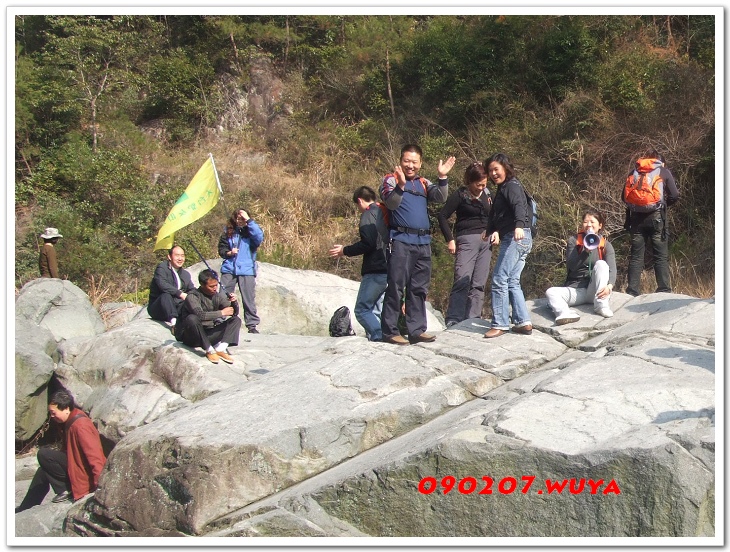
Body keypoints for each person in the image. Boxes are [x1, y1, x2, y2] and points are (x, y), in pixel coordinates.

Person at [379, 144, 455, 345]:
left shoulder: (423, 182)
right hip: (400, 241)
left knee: (418, 288)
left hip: (423, 242)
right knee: (396, 287)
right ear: (400, 161)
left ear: (420, 163)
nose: (410, 166)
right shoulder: (390, 180)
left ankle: (417, 330)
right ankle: (390, 332)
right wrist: (400, 186)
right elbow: (391, 203)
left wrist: (442, 177)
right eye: (407, 161)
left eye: (414, 162)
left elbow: (440, 197)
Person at [16, 389, 107, 512]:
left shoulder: (81, 426)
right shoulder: (69, 421)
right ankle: (25, 508)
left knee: (44, 454)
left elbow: (95, 455)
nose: (52, 416)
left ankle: (65, 489)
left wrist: (99, 485)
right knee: (42, 471)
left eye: (53, 413)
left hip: (84, 478)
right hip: (75, 466)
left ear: (66, 408)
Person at [329, 186, 389, 341]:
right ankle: (378, 338)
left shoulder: (369, 214)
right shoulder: (384, 211)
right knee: (376, 310)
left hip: (375, 268)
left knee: (362, 310)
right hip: (389, 268)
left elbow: (368, 242)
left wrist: (345, 250)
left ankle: (378, 337)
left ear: (360, 201)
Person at [483, 153, 533, 339]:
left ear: (505, 168)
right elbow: (499, 215)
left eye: (496, 169)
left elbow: (519, 205)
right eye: (490, 171)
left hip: (516, 236)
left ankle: (500, 324)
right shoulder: (504, 188)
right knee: (512, 280)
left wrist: (519, 225)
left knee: (499, 278)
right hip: (520, 237)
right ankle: (523, 322)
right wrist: (490, 230)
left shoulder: (511, 185)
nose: (493, 173)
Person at [437, 162, 493, 327]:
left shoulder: (488, 194)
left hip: (486, 241)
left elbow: (495, 215)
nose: (481, 187)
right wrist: (450, 239)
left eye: (484, 184)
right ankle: (454, 318)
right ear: (470, 181)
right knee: (462, 279)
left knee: (479, 283)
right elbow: (442, 216)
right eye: (478, 184)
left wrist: (496, 230)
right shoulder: (460, 194)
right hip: (466, 239)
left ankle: (473, 318)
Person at [623, 149, 680, 295]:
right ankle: (664, 289)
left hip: (636, 219)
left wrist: (637, 206)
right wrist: (663, 204)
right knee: (660, 255)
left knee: (636, 256)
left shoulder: (634, 171)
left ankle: (632, 290)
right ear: (660, 161)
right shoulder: (663, 171)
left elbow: (624, 197)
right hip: (656, 217)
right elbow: (674, 195)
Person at [545, 209, 617, 325]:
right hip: (576, 290)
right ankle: (564, 313)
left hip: (595, 291)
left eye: (592, 222)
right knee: (551, 292)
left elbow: (612, 269)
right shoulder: (574, 241)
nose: (588, 225)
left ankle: (601, 305)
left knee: (601, 264)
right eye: (585, 222)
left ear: (600, 225)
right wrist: (585, 252)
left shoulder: (605, 245)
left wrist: (609, 286)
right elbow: (572, 266)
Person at [175, 269, 242, 364]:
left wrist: (234, 302)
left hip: (208, 334)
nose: (214, 288)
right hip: (192, 336)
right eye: (211, 286)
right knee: (192, 318)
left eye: (216, 285)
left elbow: (233, 313)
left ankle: (220, 349)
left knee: (236, 320)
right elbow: (200, 315)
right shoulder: (192, 296)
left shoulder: (217, 296)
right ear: (202, 284)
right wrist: (221, 313)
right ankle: (209, 350)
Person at [218, 209, 265, 334]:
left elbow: (259, 237)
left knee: (248, 298)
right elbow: (222, 249)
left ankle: (251, 325)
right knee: (222, 296)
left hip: (246, 269)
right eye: (238, 218)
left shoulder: (250, 232)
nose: (239, 221)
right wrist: (229, 252)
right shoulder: (228, 232)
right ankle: (218, 320)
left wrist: (248, 220)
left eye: (242, 218)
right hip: (229, 269)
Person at [147, 245, 195, 332]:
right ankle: (174, 324)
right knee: (166, 295)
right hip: (159, 307)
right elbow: (162, 285)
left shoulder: (185, 274)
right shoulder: (162, 268)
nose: (180, 259)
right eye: (177, 255)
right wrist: (180, 294)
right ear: (169, 257)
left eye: (182, 256)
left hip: (176, 306)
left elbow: (191, 289)